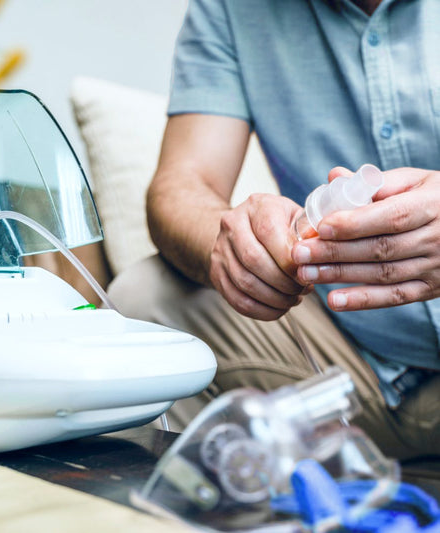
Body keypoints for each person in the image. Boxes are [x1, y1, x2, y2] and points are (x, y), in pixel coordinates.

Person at [108, 0, 440, 466]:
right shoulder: (233, 9)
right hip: (355, 363)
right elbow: (182, 184)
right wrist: (230, 248)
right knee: (148, 298)